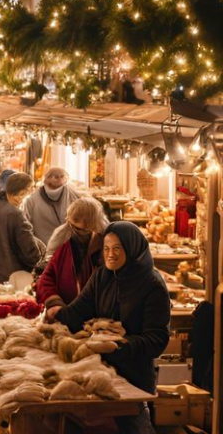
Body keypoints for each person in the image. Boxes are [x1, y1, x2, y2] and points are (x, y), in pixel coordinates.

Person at [48, 222, 170, 434]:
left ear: (132, 249)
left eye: (117, 248)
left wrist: (118, 346)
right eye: (106, 248)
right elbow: (77, 313)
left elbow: (157, 339)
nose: (110, 254)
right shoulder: (102, 276)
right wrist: (53, 311)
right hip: (99, 374)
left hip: (135, 379)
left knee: (134, 428)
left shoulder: (152, 285)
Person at [36, 197, 108, 309]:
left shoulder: (107, 240)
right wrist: (54, 302)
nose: (76, 231)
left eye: (83, 230)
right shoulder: (62, 238)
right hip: (65, 308)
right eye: (72, 225)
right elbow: (48, 276)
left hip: (98, 310)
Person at [23, 166, 82, 244]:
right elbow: (26, 225)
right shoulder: (32, 200)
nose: (60, 179)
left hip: (66, 246)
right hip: (46, 246)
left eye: (62, 176)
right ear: (47, 178)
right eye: (56, 177)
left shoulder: (73, 194)